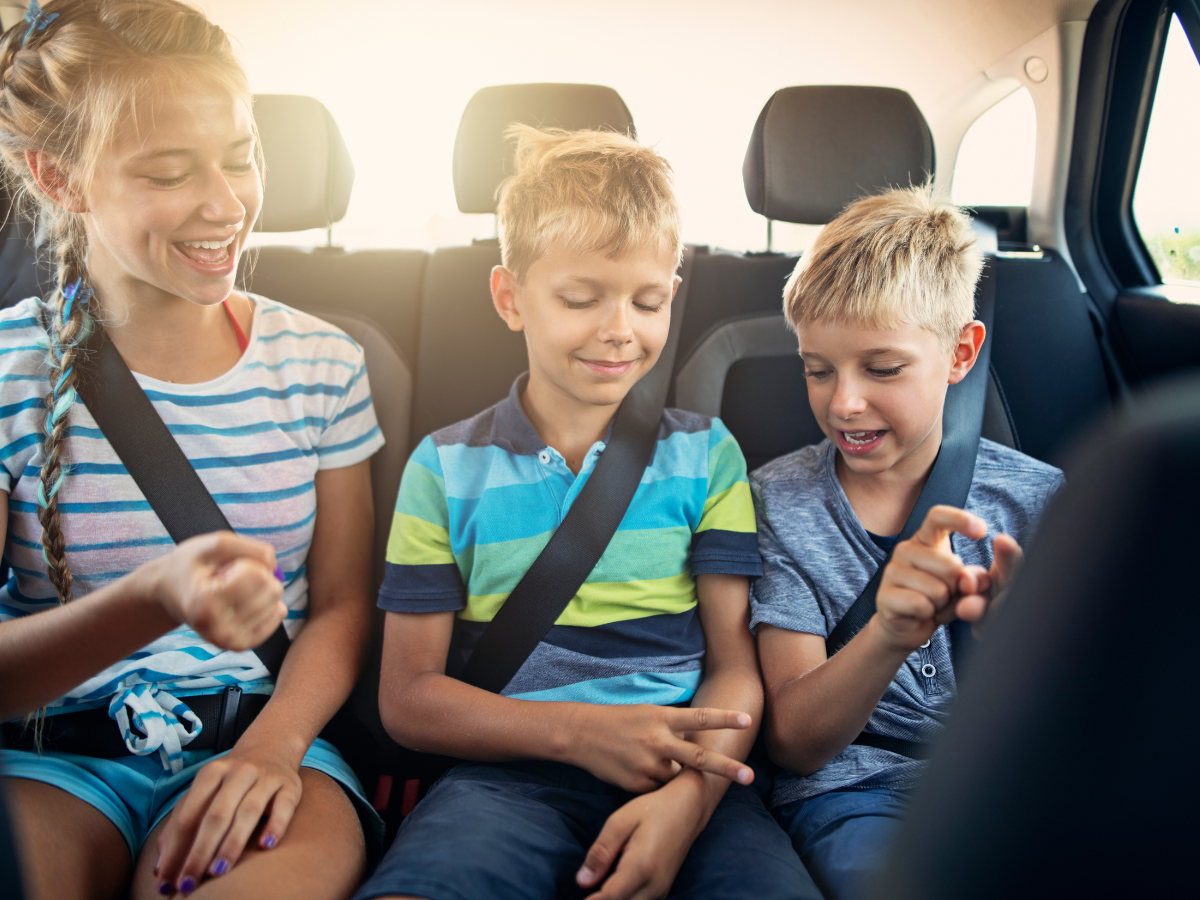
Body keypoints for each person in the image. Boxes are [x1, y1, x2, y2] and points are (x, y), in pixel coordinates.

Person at [356, 126, 819, 900]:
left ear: (672, 295)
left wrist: (687, 802)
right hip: (506, 781)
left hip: (687, 773)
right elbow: (406, 699)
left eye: (645, 301)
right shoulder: (444, 468)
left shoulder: (707, 455)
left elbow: (736, 670)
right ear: (511, 298)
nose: (619, 330)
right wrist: (580, 733)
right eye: (580, 299)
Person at [0, 2, 384, 898]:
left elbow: (338, 605)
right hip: (50, 759)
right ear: (63, 181)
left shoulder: (322, 364)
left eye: (243, 157)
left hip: (266, 733)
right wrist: (149, 600)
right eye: (171, 173)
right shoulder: (9, 372)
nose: (227, 204)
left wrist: (274, 748)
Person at [750, 185, 1065, 900]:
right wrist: (889, 632)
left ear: (960, 353)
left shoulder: (1038, 499)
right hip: (855, 791)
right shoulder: (778, 504)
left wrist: (1029, 639)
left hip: (1017, 780)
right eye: (816, 369)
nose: (843, 402)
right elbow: (795, 743)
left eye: (882, 368)